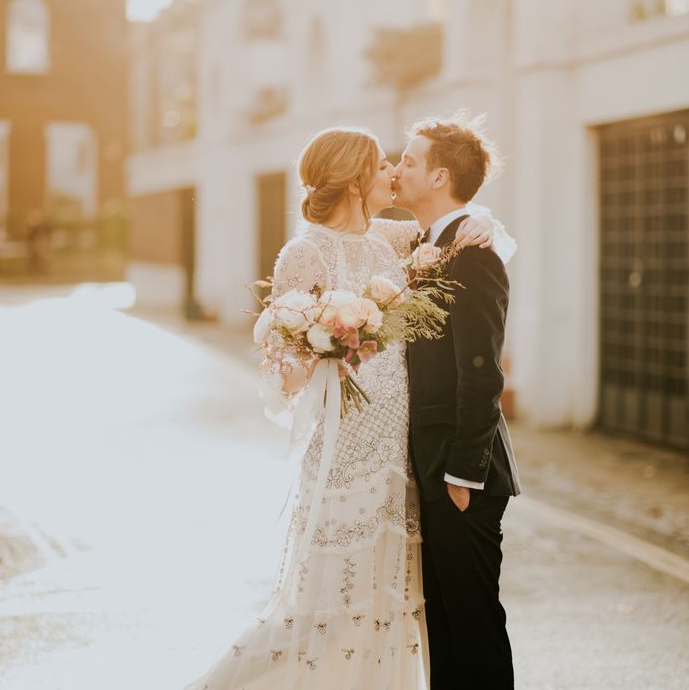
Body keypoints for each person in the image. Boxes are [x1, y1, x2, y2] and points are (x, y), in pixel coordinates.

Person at [185, 126, 510, 690]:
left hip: (401, 452)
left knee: (391, 601)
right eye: (383, 164)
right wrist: (322, 339)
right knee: (325, 602)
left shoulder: (393, 241)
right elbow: (285, 376)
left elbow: (460, 227)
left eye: (401, 162)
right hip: (344, 447)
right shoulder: (303, 253)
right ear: (357, 178)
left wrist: (486, 221)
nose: (392, 171)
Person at [394, 113, 521, 689]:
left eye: (410, 161)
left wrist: (463, 473)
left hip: (462, 468)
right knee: (442, 620)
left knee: (471, 623)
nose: (398, 170)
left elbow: (482, 371)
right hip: (431, 462)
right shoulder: (427, 243)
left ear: (441, 175)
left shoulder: (473, 254)